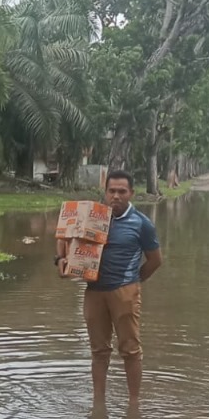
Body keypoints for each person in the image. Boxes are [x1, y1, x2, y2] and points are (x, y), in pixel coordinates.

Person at [56, 170, 162, 403]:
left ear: (131, 193)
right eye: (111, 191)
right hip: (94, 292)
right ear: (104, 193)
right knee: (98, 351)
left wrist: (133, 282)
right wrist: (60, 261)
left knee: (131, 349)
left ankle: (134, 403)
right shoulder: (91, 218)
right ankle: (98, 403)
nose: (116, 196)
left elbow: (155, 261)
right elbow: (65, 237)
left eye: (122, 191)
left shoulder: (142, 224)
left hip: (125, 292)